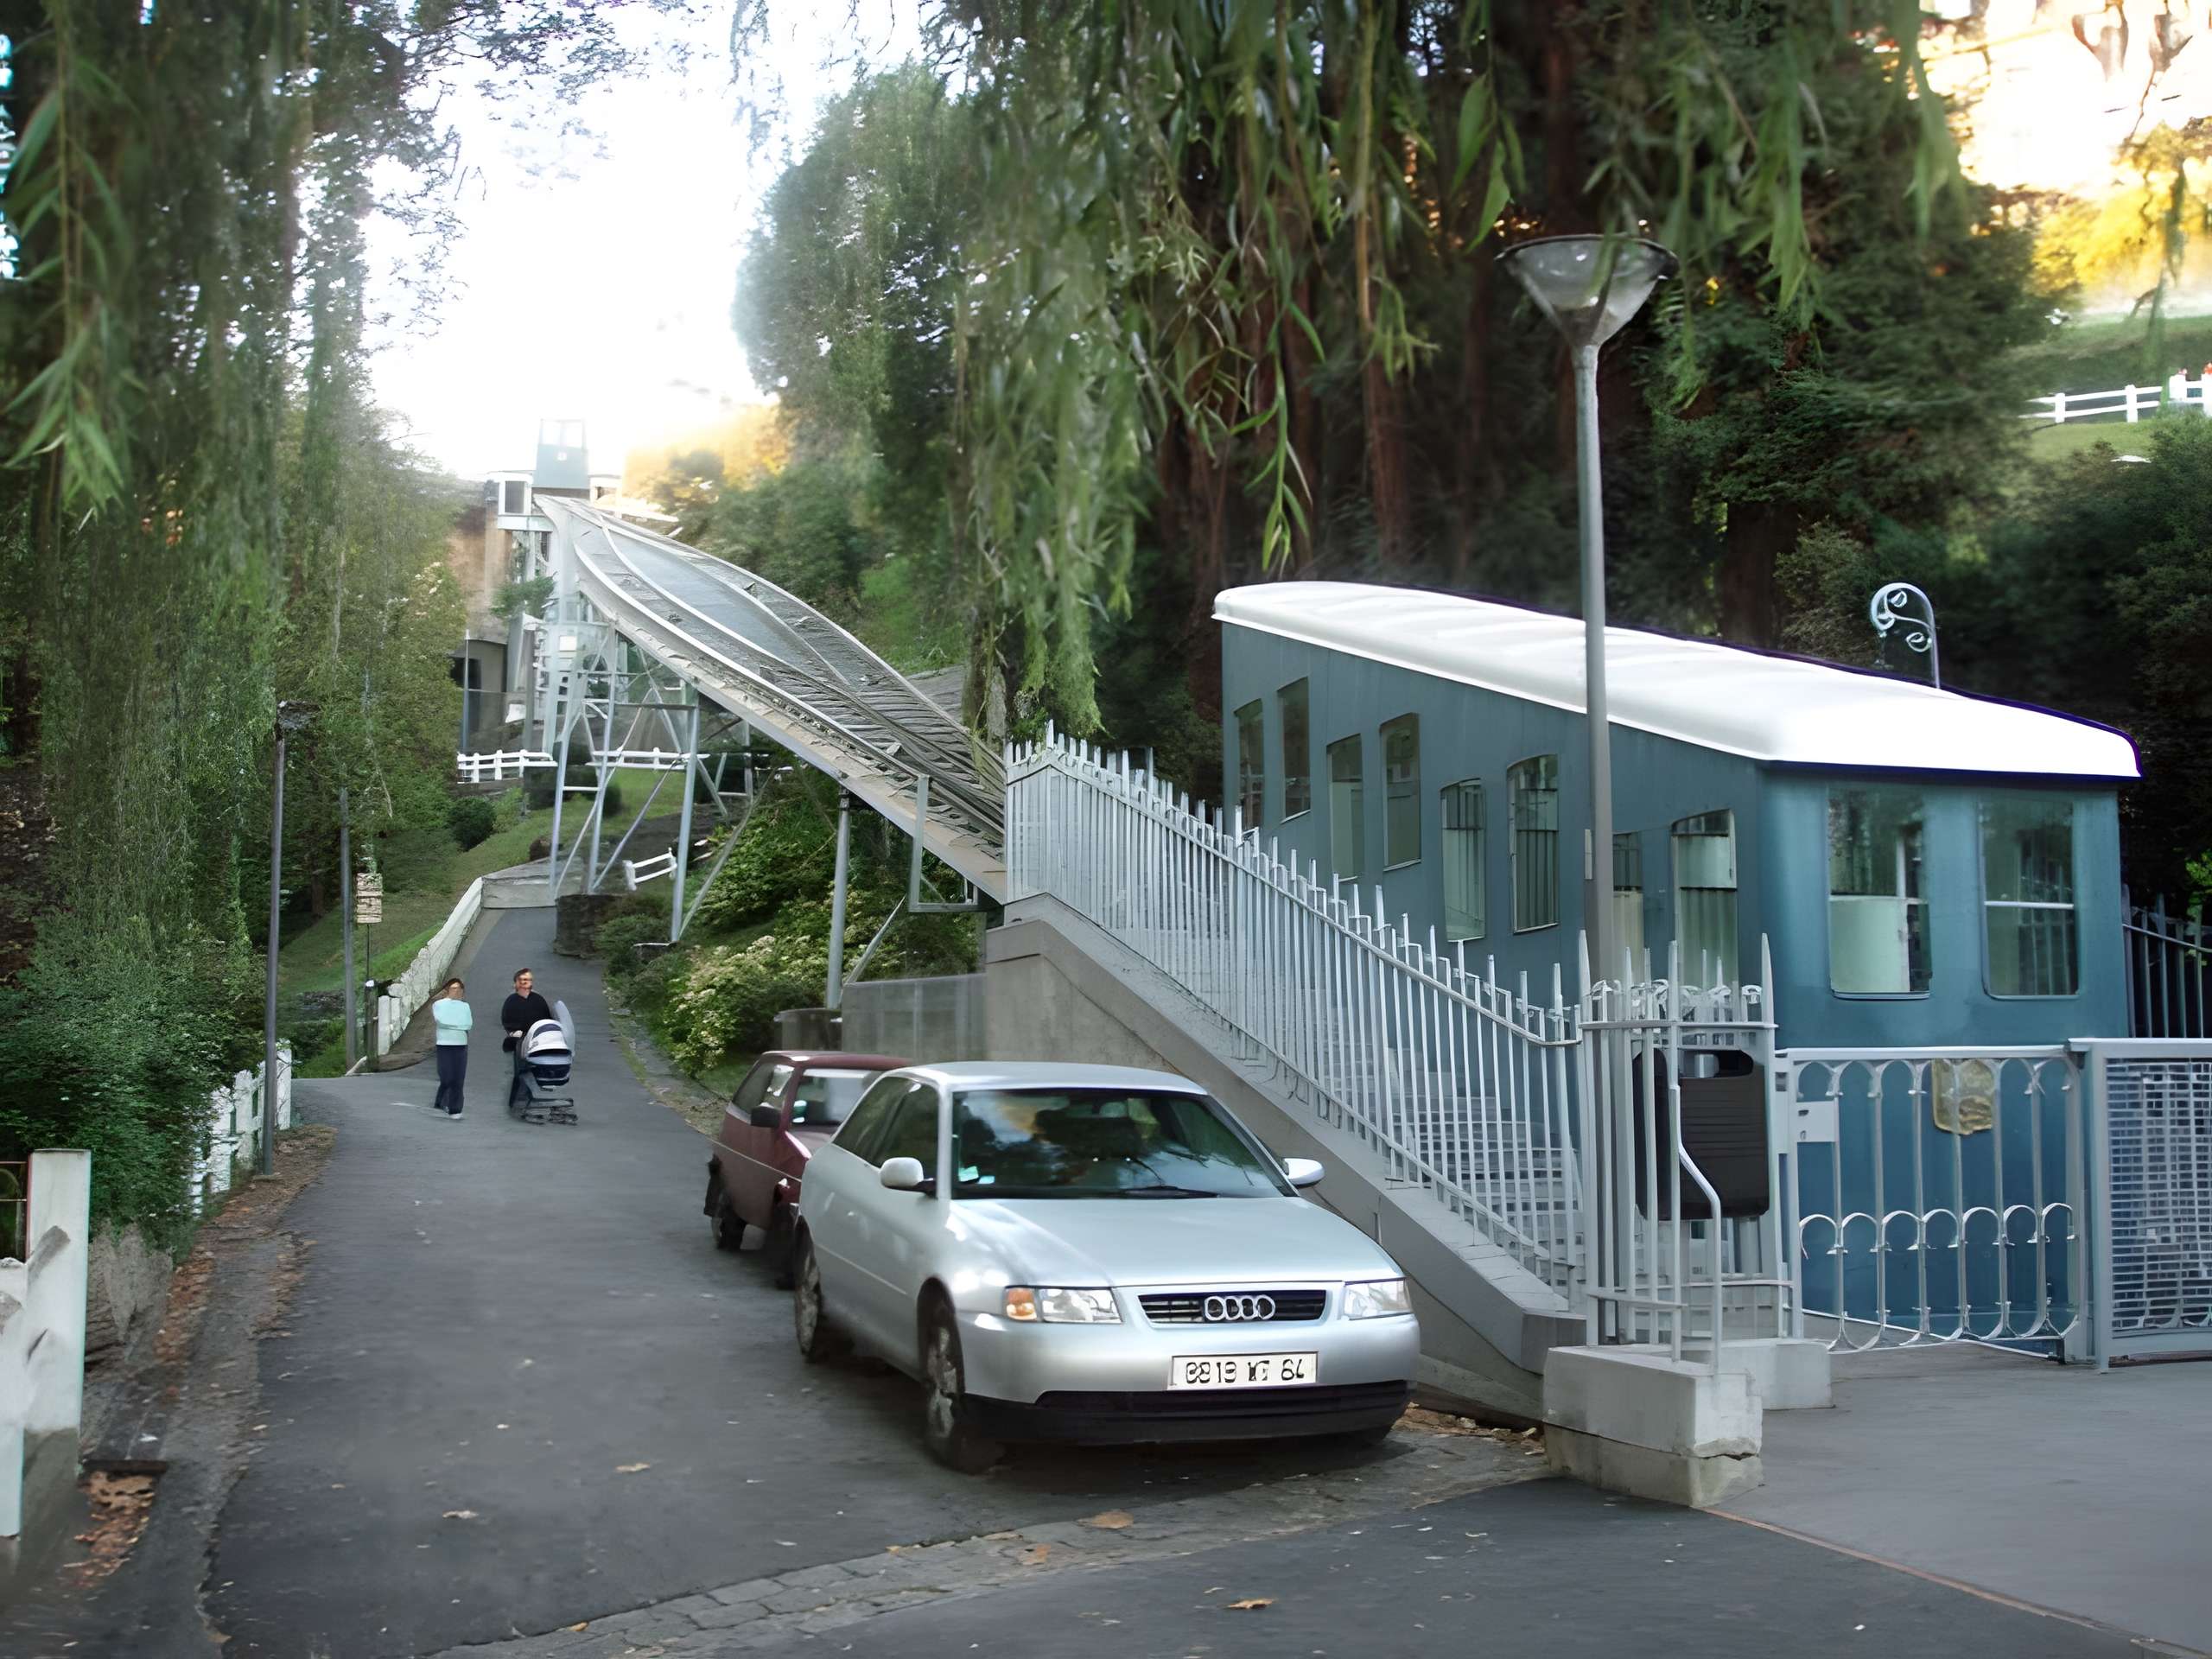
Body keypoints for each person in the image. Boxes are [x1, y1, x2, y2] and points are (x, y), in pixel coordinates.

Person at [501, 967, 553, 1112]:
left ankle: (523, 1098)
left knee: (532, 1069)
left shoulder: (538, 1000)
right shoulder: (511, 1001)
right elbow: (506, 1020)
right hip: (521, 1040)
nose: (526, 983)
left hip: (537, 1040)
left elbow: (547, 1019)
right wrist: (513, 1032)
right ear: (516, 983)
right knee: (522, 1069)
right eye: (522, 980)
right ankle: (519, 1100)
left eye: (528, 980)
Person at [430, 977, 471, 1119]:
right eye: (454, 988)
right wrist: (457, 1024)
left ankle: (455, 1109)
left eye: (459, 989)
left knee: (458, 1079)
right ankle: (440, 1101)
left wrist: (454, 1023)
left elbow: (468, 1024)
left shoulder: (465, 1006)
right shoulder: (439, 1004)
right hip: (444, 1044)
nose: (457, 991)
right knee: (446, 1077)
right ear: (447, 990)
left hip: (461, 1044)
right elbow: (441, 1021)